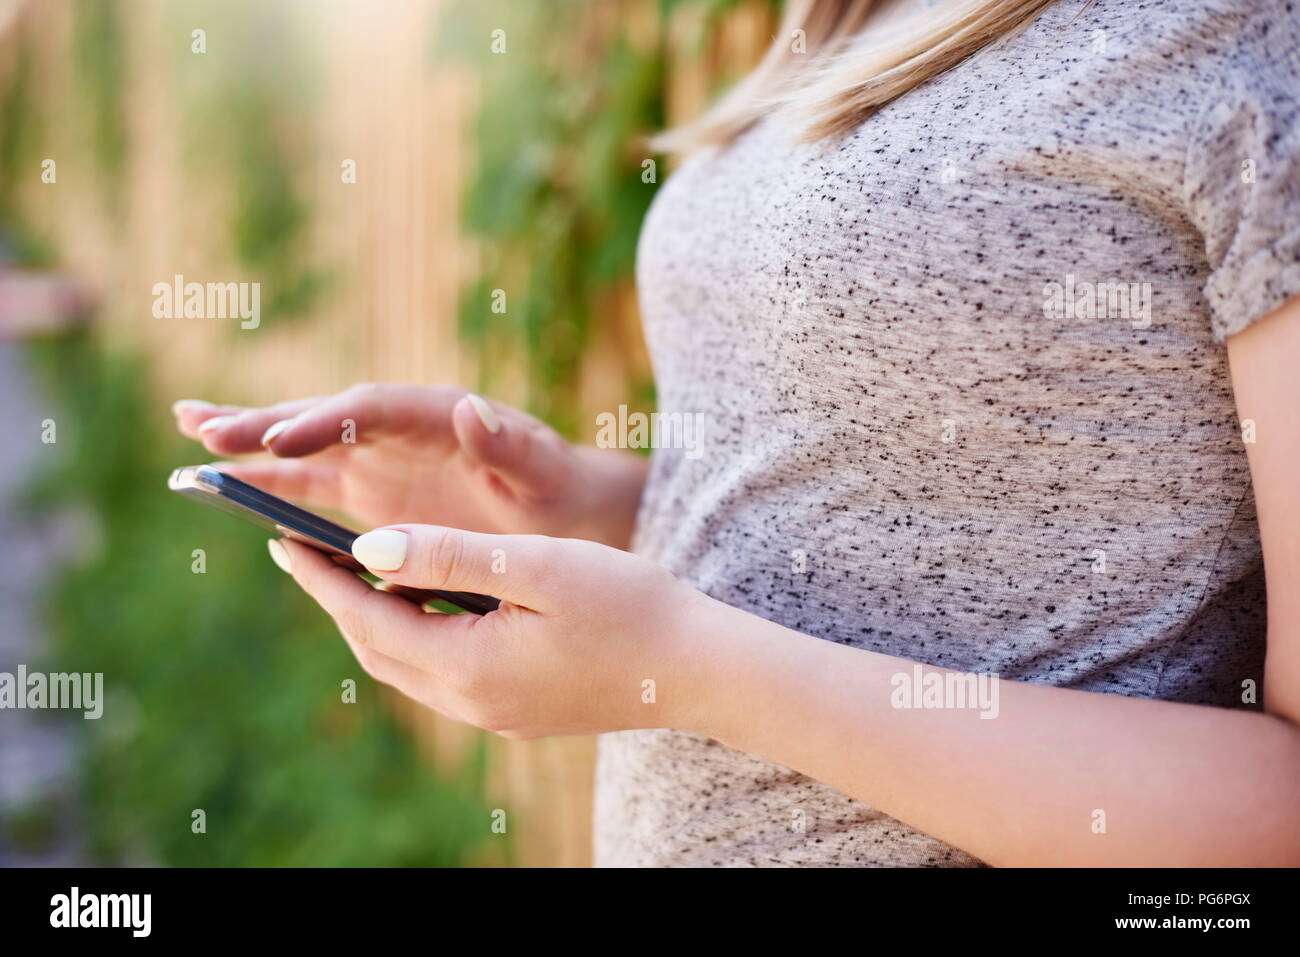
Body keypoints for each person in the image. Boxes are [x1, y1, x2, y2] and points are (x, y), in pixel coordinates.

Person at [172, 0, 1300, 866]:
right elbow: (890, 502)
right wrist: (583, 503)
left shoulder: (1244, 44)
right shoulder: (845, 18)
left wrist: (689, 672)